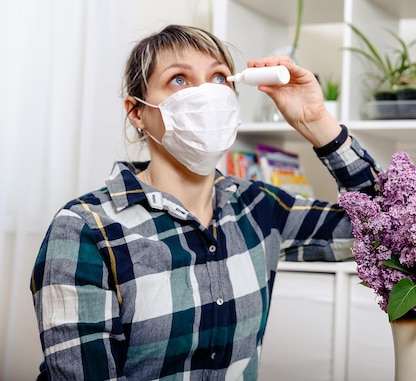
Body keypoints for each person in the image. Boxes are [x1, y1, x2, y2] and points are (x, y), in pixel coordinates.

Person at [30, 24, 381, 380]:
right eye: (179, 79)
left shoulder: (259, 207)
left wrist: (317, 122)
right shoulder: (85, 229)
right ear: (137, 112)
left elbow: (386, 230)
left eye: (218, 78)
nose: (205, 93)